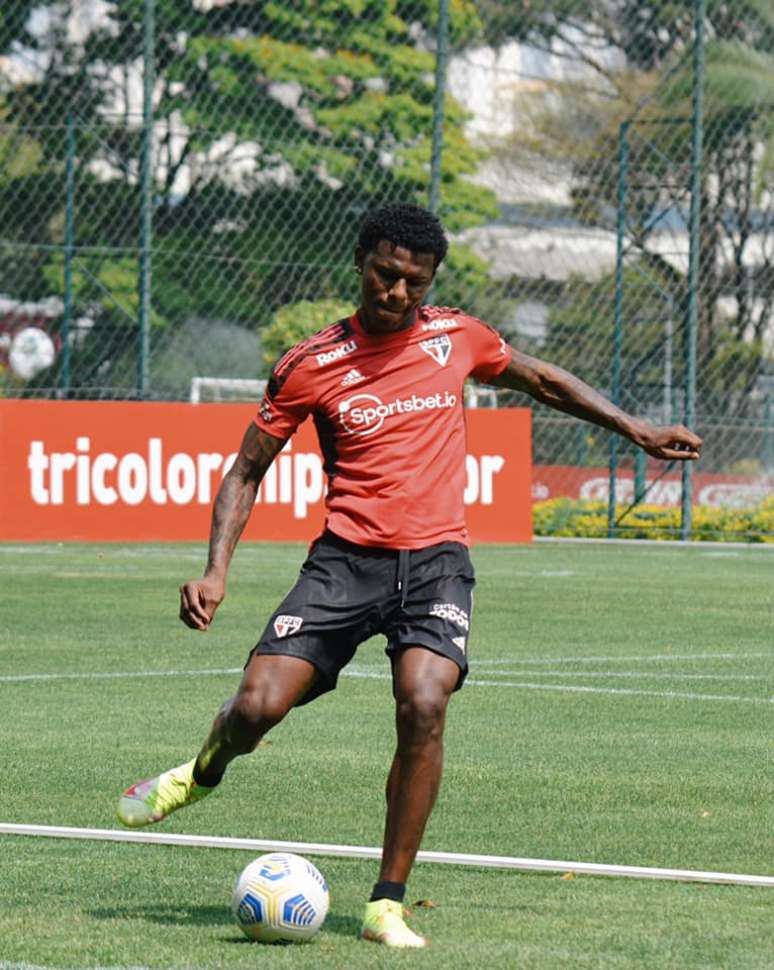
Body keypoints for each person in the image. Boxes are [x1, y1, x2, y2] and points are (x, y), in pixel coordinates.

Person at [117, 203, 702, 948]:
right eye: (385, 274)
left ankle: (385, 903)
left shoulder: (456, 335)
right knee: (257, 710)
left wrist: (637, 428)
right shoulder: (311, 363)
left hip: (435, 567)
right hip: (344, 564)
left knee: (424, 700)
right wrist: (215, 570)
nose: (396, 293)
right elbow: (248, 468)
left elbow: (542, 381)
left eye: (413, 284)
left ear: (430, 283)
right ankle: (200, 772)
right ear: (360, 260)